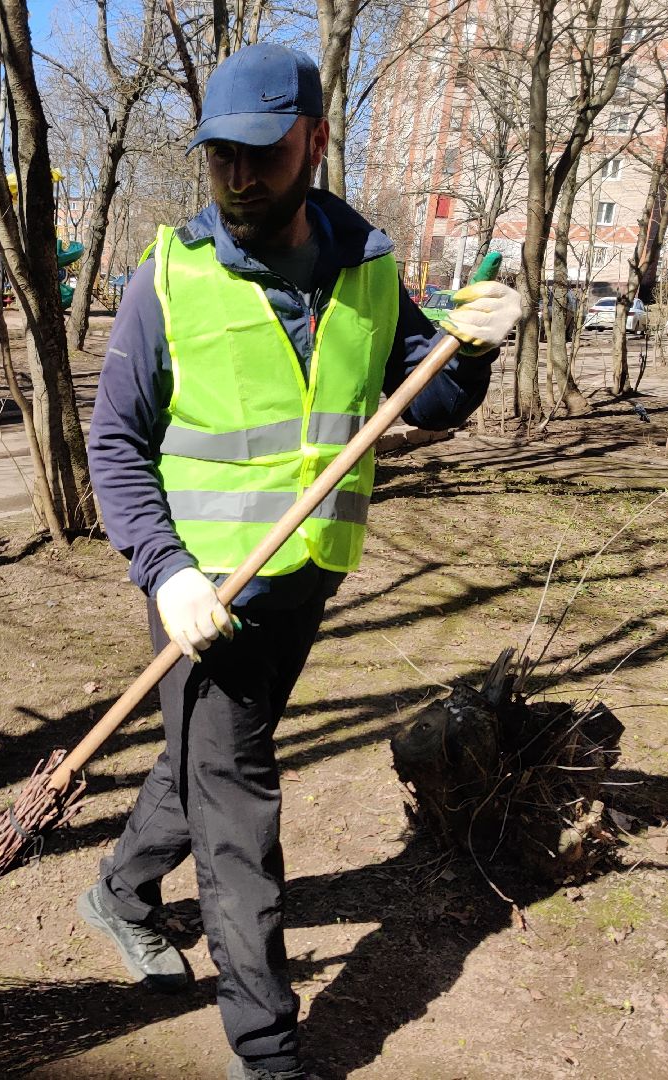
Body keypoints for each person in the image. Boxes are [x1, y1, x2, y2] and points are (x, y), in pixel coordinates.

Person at [79, 43, 522, 1080]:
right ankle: (268, 1047)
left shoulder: (366, 266)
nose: (238, 177)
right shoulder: (170, 281)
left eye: (261, 154)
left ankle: (120, 891)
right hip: (202, 594)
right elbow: (113, 445)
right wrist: (165, 570)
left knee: (202, 765)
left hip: (305, 580)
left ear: (314, 142)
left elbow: (428, 393)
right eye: (219, 157)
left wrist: (475, 344)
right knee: (238, 800)